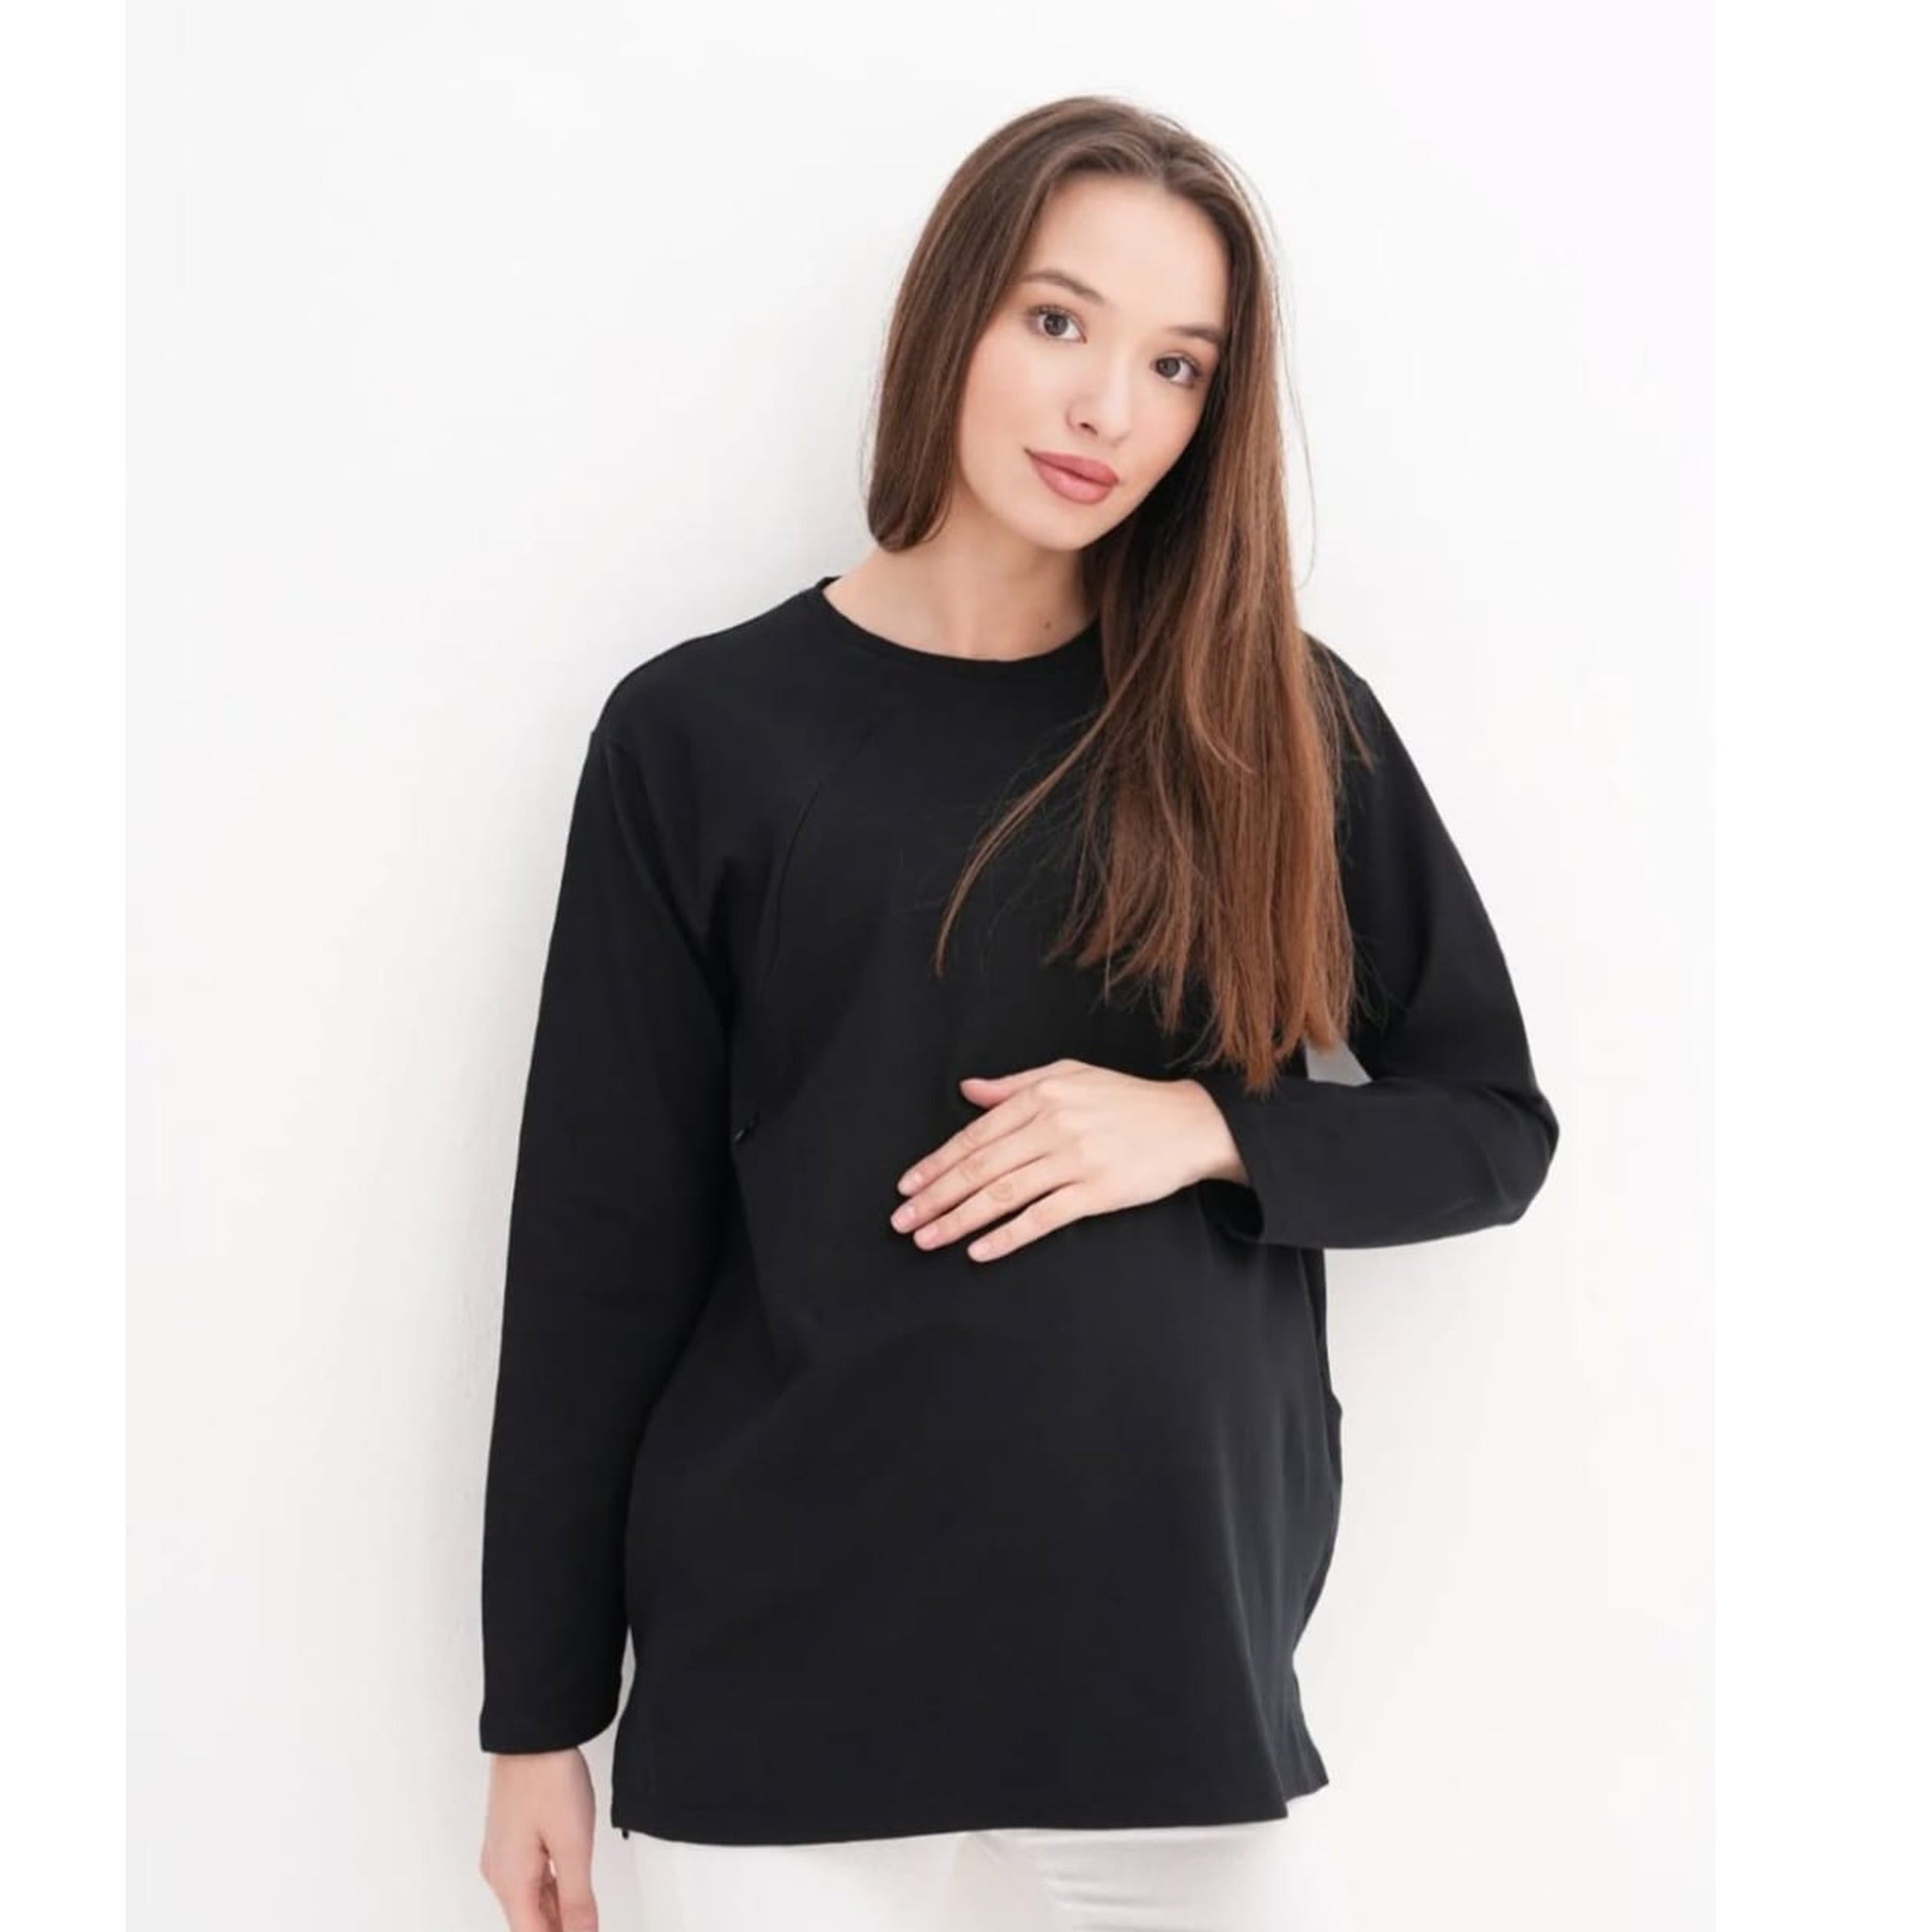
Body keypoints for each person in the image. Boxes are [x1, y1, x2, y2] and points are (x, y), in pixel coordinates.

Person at [476, 92, 1559, 1932]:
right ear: (954, 315)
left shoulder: (1274, 722)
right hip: (781, 1668)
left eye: (1176, 365)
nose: (1106, 408)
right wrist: (536, 1719)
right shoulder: (698, 734)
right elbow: (598, 1250)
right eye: (1059, 321)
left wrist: (1204, 1127)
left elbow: (1490, 1127)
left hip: (1167, 1673)